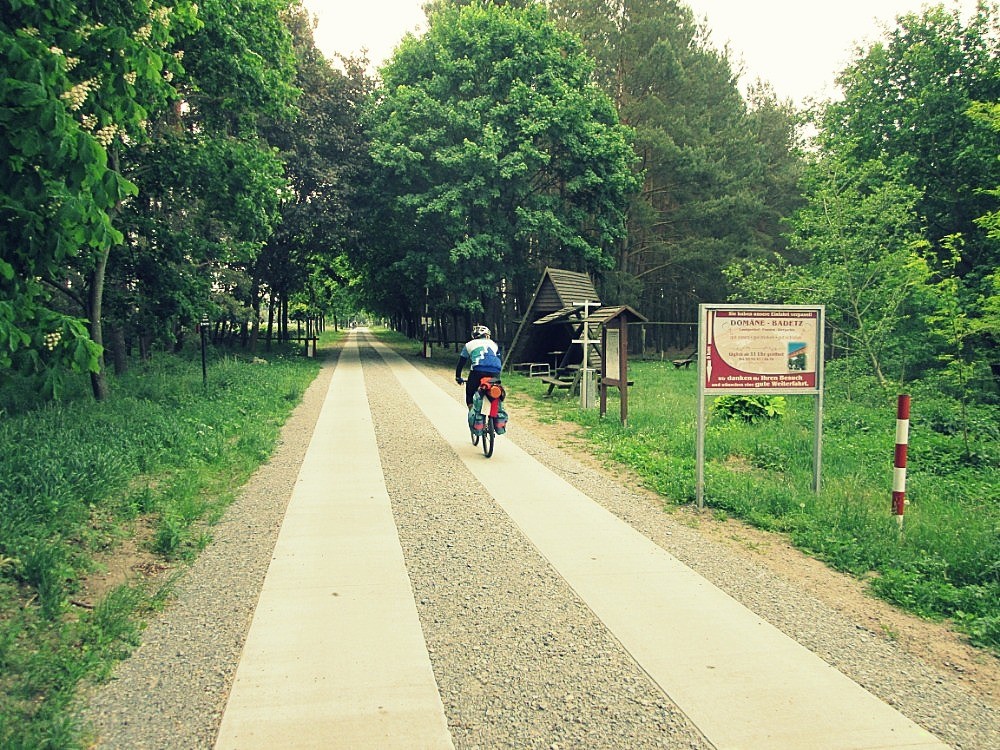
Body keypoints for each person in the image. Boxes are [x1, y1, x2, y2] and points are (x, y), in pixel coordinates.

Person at [455, 324, 502, 408]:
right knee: (496, 391)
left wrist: (458, 377)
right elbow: (498, 358)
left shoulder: (469, 344)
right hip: (495, 371)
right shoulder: (494, 344)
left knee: (470, 392)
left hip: (477, 371)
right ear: (487, 335)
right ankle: (496, 411)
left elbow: (461, 362)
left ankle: (471, 410)